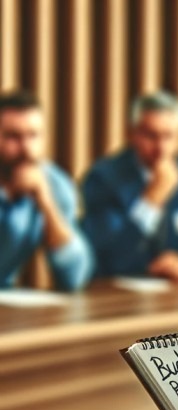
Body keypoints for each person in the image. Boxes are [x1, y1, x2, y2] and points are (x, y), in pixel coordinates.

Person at [81, 91, 178, 279]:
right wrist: (151, 200)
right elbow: (111, 257)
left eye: (169, 136)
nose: (161, 148)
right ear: (132, 135)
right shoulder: (104, 178)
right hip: (119, 292)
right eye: (151, 136)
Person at [0, 90, 93, 291]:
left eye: (33, 136)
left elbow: (75, 276)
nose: (26, 148)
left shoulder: (54, 183)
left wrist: (45, 202)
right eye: (13, 137)